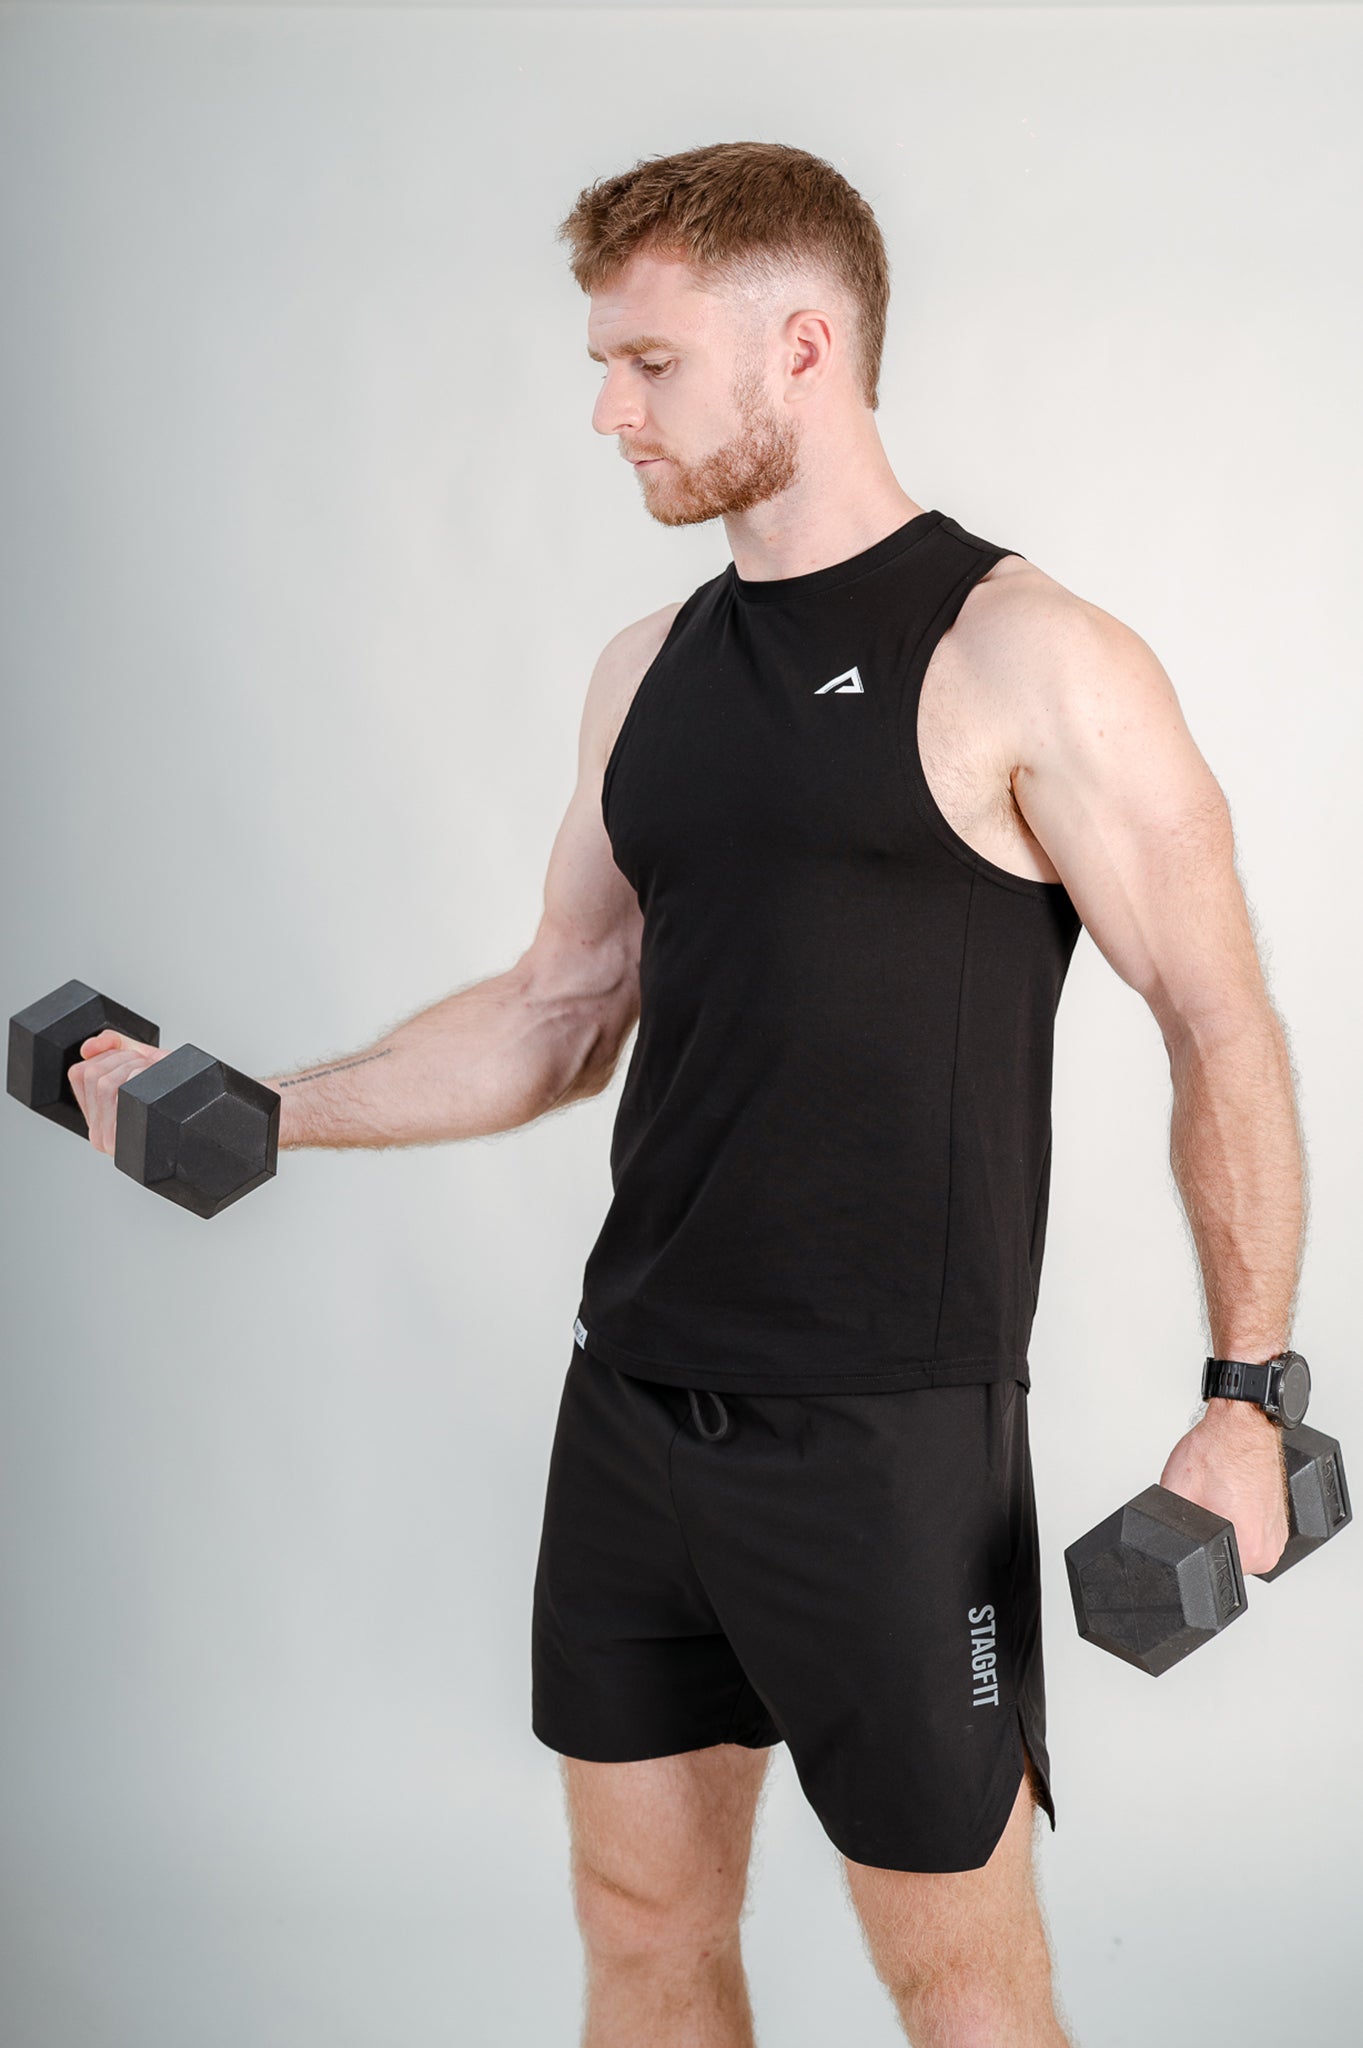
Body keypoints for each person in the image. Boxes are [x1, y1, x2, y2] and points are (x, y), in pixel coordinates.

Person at [67, 141, 1306, 2048]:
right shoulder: (646, 670)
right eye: (603, 365)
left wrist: (1247, 1398)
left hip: (890, 1449)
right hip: (633, 1413)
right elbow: (559, 1009)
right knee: (642, 1927)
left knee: (959, 1979)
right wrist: (249, 1106)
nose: (603, 410)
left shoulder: (1030, 659)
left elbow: (1220, 1024)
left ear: (801, 347)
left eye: (647, 365)